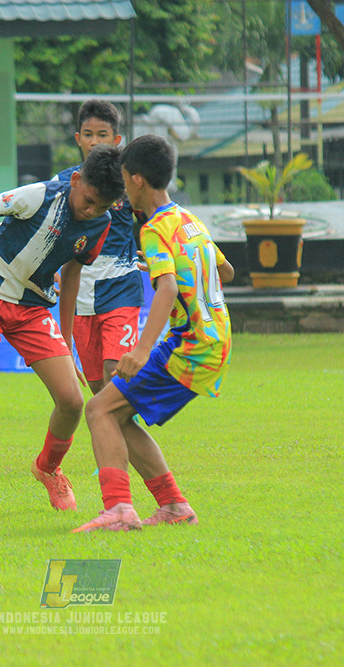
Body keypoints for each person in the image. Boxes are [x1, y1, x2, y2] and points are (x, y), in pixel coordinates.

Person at [0, 143, 125, 510]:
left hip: (32, 309)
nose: (91, 211)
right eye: (89, 200)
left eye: (102, 206)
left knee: (72, 401)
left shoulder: (100, 223)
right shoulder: (39, 196)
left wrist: (67, 340)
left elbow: (71, 274)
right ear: (75, 180)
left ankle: (48, 468)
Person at [74, 134, 234, 533]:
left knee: (98, 410)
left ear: (137, 180)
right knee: (116, 414)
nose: (123, 189)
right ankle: (174, 506)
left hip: (190, 346)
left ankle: (119, 510)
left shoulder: (154, 228)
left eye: (124, 178)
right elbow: (225, 271)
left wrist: (142, 350)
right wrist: (168, 267)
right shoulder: (189, 220)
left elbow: (167, 290)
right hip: (214, 340)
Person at [53, 99, 143, 395]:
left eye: (102, 135)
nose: (94, 142)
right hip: (79, 293)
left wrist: (161, 254)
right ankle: (118, 427)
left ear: (116, 140)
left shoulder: (129, 182)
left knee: (115, 375)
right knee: (97, 387)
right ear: (78, 138)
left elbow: (156, 218)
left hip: (120, 286)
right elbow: (47, 230)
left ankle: (126, 424)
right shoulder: (64, 182)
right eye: (88, 134)